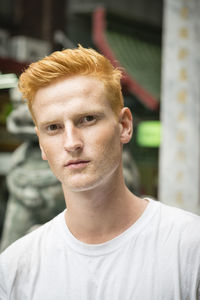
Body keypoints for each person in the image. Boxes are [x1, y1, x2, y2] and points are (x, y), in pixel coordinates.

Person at [0, 45, 200, 300]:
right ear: (40, 143)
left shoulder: (190, 248)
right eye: (53, 127)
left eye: (87, 119)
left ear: (124, 126)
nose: (71, 143)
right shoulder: (15, 267)